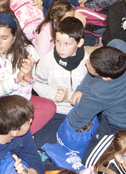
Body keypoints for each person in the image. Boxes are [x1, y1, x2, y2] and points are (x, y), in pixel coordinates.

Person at [68, 40, 126, 165]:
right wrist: (81, 88)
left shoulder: (98, 91)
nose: (86, 62)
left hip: (124, 124)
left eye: (90, 67)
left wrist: (85, 95)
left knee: (89, 162)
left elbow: (75, 121)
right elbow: (97, 69)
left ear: (106, 78)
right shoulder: (119, 46)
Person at [32, 16, 88, 144]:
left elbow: (92, 93)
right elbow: (37, 83)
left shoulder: (88, 63)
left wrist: (69, 96)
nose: (60, 48)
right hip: (54, 110)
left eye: (67, 44)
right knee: (43, 145)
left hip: (79, 112)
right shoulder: (47, 59)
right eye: (58, 42)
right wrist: (54, 94)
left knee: (78, 146)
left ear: (79, 43)